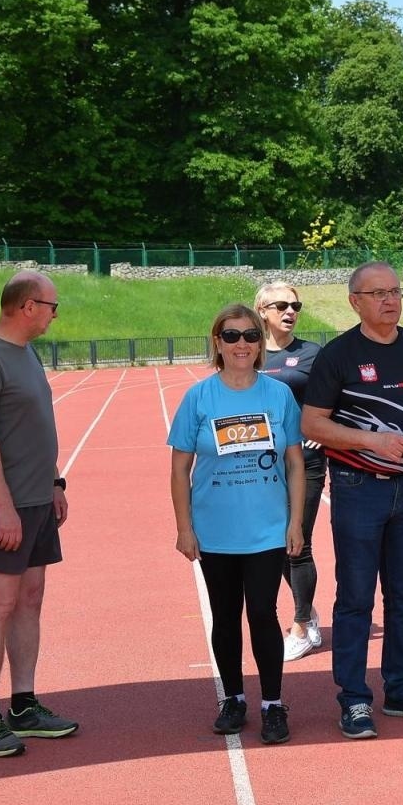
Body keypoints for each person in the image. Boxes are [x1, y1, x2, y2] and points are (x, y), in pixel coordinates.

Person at [302, 262, 403, 739]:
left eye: (395, 291)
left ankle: (401, 687)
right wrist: (371, 443)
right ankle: (353, 698)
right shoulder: (338, 354)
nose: (390, 300)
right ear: (355, 302)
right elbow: (312, 425)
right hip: (357, 489)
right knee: (355, 599)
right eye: (378, 293)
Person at [169, 304, 306, 745]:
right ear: (217, 342)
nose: (242, 344)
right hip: (215, 530)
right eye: (232, 336)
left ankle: (272, 703)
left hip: (267, 529)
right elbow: (179, 468)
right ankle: (232, 698)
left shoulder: (278, 395)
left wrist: (296, 522)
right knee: (225, 617)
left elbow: (296, 464)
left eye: (249, 336)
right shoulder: (199, 398)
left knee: (263, 612)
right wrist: (184, 528)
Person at [0, 270, 78, 757]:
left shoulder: (26, 354)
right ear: (28, 306)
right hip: (3, 506)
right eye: (52, 306)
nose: (54, 314)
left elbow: (36, 426)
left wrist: (53, 482)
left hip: (36, 501)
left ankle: (23, 705)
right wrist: (4, 508)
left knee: (30, 599)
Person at [254, 281, 329, 663]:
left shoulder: (313, 353)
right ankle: (309, 607)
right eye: (281, 305)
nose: (290, 311)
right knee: (274, 541)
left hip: (308, 462)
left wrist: (323, 435)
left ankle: (301, 624)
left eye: (295, 305)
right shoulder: (249, 352)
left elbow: (335, 398)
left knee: (298, 540)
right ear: (262, 311)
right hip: (262, 463)